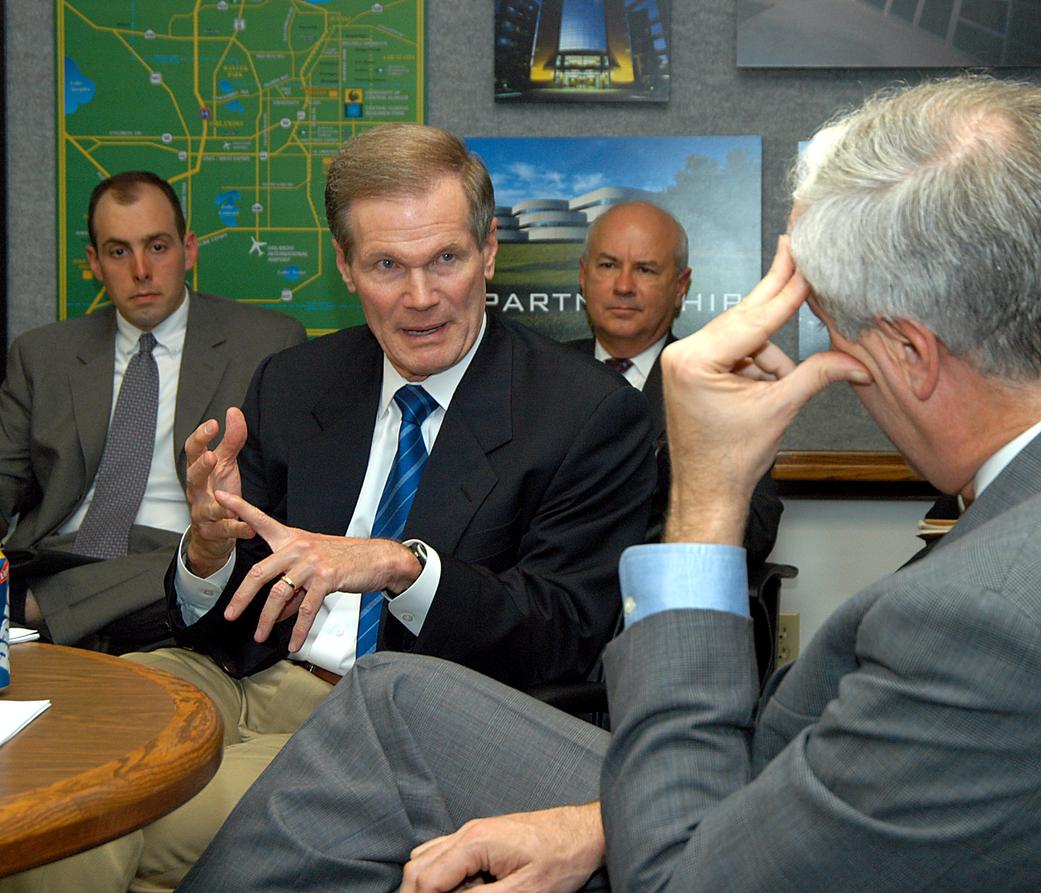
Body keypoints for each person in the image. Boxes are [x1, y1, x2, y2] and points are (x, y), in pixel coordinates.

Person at [180, 77, 1041, 892]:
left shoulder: (991, 628)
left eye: (837, 338)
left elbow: (688, 879)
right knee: (392, 700)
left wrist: (704, 500)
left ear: (907, 353)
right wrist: (592, 821)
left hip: (727, 846)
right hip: (852, 810)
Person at [9, 125, 654, 893]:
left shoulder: (586, 413)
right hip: (231, 674)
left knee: (83, 820)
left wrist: (399, 565)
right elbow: (224, 612)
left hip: (389, 725)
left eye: (445, 258)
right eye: (386, 264)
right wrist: (207, 557)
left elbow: (563, 634)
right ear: (345, 266)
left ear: (488, 252)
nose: (420, 297)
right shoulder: (296, 379)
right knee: (58, 757)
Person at [0, 170, 305, 654]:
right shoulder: (41, 355)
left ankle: (28, 610)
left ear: (189, 248)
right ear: (95, 262)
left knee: (203, 580)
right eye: (119, 251)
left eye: (157, 247)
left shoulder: (268, 343)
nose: (141, 270)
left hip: (181, 554)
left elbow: (283, 504)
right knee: (176, 603)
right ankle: (88, 615)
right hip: (60, 556)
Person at [568, 200, 782, 564]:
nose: (623, 286)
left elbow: (755, 534)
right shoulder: (530, 377)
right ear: (583, 275)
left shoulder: (720, 388)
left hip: (661, 599)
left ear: (681, 285)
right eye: (608, 265)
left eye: (645, 270)